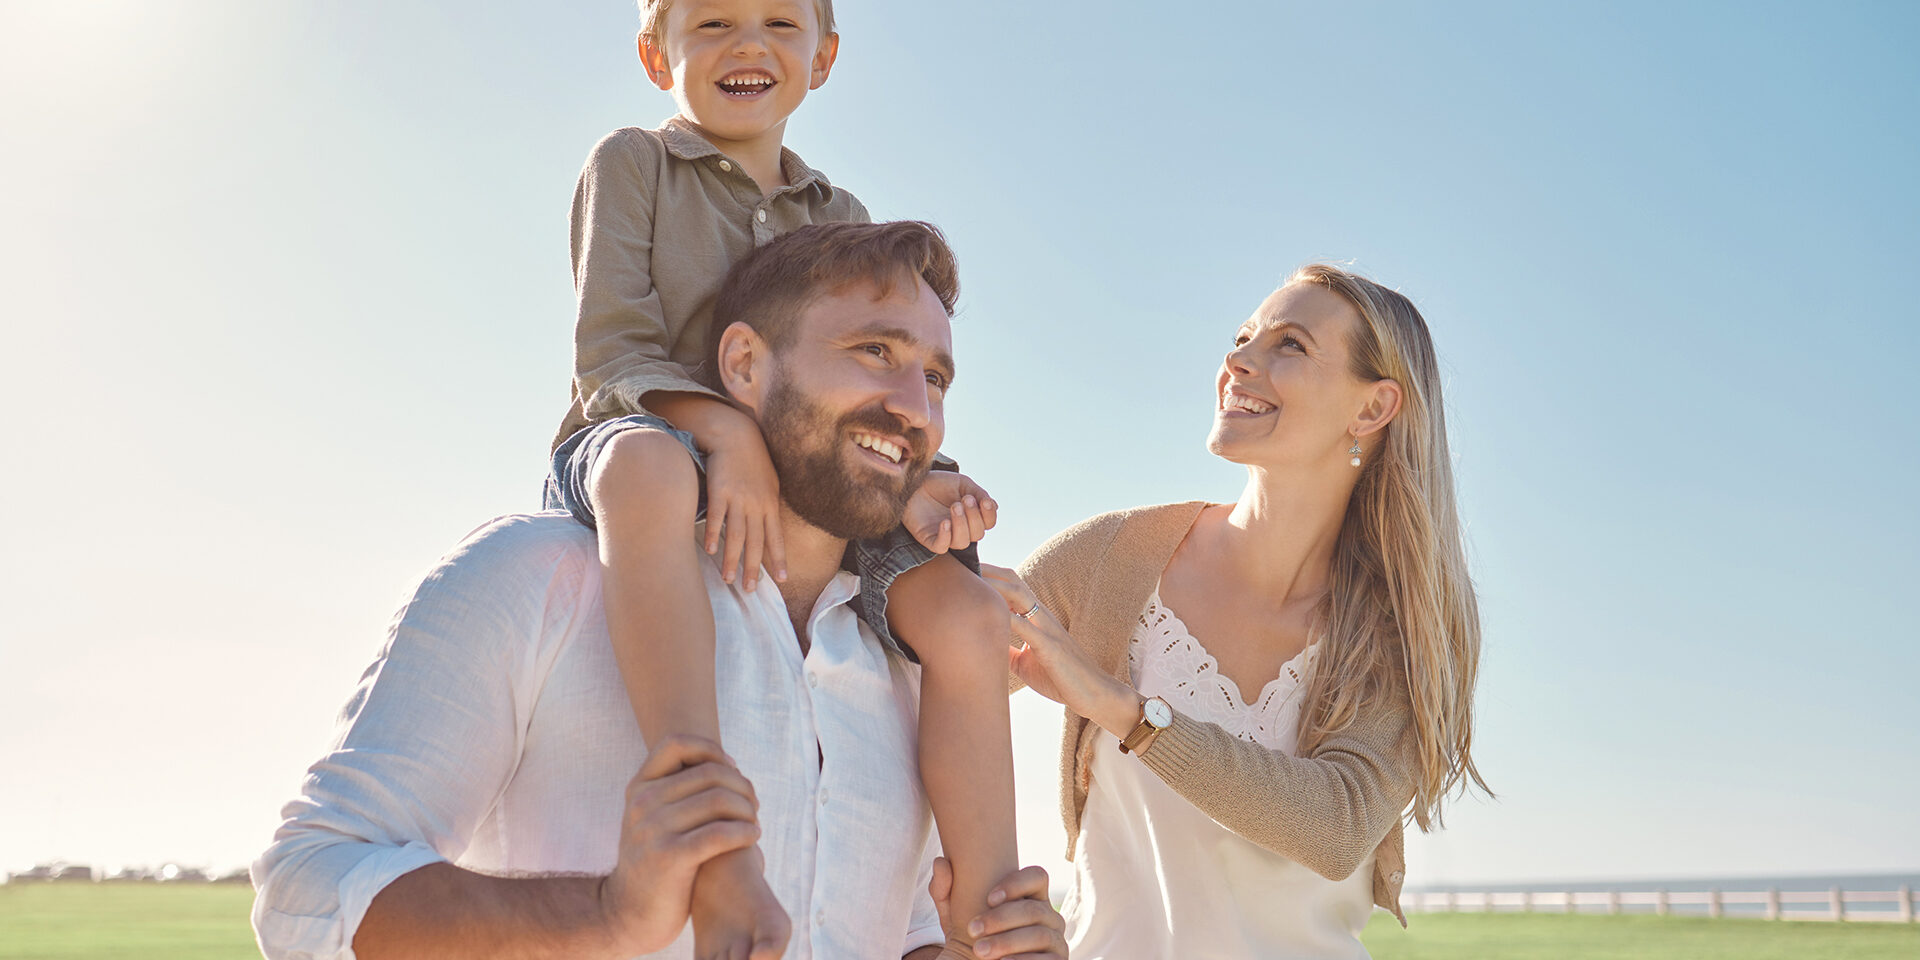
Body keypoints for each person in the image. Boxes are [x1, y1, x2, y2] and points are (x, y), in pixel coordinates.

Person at [251, 222, 1063, 960]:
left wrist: (979, 951)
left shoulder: (912, 664)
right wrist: (606, 915)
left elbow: (902, 932)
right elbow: (305, 892)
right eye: (874, 352)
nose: (915, 407)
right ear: (744, 365)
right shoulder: (541, 576)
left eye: (937, 377)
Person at [546, 2, 1016, 954]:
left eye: (778, 22)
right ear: (655, 53)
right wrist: (728, 434)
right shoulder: (632, 164)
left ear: (825, 57)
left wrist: (924, 477)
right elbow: (611, 353)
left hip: (811, 480)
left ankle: (991, 911)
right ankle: (706, 822)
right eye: (711, 20)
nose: (747, 44)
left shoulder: (840, 215)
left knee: (969, 612)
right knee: (643, 471)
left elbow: (879, 374)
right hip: (651, 429)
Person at [981, 264, 1489, 958]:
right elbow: (922, 689)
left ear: (1372, 410)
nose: (1238, 361)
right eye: (1244, 338)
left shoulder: (1400, 631)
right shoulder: (1108, 561)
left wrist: (1122, 709)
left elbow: (1337, 825)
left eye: (1290, 346)